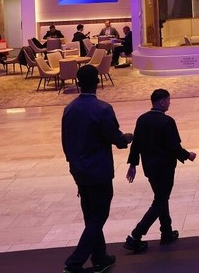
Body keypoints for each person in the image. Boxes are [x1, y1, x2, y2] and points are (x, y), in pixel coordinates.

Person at [61, 64, 132, 273]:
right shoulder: (103, 109)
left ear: (77, 82)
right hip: (98, 170)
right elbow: (115, 138)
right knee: (99, 215)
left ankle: (100, 258)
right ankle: (75, 262)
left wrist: (72, 164)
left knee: (90, 215)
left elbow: (65, 141)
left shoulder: (69, 109)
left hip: (79, 170)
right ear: (98, 82)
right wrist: (127, 139)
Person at [123, 89, 196, 253]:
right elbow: (174, 147)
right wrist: (188, 155)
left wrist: (133, 164)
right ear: (162, 102)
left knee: (161, 198)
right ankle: (135, 235)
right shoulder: (167, 122)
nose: (170, 103)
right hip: (165, 169)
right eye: (169, 100)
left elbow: (136, 145)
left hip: (150, 168)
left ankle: (167, 232)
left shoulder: (142, 119)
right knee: (160, 201)